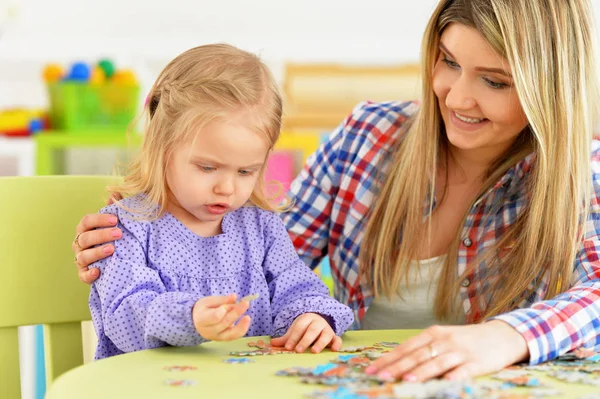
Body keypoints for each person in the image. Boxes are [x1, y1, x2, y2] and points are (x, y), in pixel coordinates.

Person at [73, 0, 600, 382]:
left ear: (548, 88)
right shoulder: (368, 137)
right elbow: (267, 264)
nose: (457, 96)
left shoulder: (583, 171)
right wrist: (161, 236)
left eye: (496, 81)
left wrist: (505, 337)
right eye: (449, 61)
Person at [86, 43, 354, 360]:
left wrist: (311, 318)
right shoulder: (126, 226)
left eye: (245, 171)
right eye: (208, 167)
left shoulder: (261, 227)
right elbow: (126, 314)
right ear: (162, 148)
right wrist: (191, 318)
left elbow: (296, 288)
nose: (226, 188)